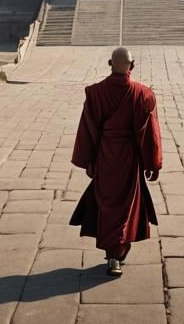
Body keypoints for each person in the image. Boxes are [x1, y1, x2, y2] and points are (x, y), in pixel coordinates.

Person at [70, 47, 163, 277]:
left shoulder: (96, 93)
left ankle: (114, 255)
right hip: (129, 159)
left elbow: (88, 129)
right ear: (132, 65)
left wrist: (89, 160)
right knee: (124, 208)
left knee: (108, 205)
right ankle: (116, 256)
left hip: (105, 155)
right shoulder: (144, 95)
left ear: (110, 63)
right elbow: (149, 134)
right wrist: (153, 163)